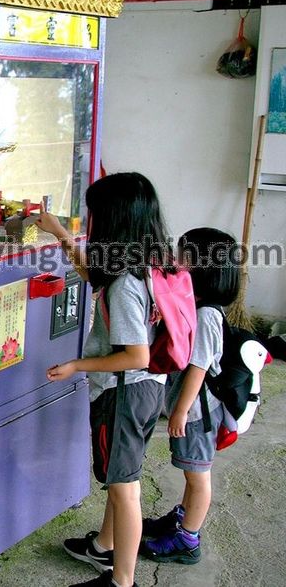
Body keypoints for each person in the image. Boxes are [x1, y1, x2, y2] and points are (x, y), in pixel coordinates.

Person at [38, 172, 174, 587]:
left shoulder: (125, 287)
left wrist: (77, 366)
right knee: (122, 476)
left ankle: (122, 581)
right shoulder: (148, 262)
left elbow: (135, 354)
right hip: (148, 389)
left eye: (92, 215)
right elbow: (95, 276)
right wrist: (61, 232)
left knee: (125, 489)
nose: (88, 221)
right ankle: (103, 546)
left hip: (125, 393)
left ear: (111, 221)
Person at [139, 227, 240, 564]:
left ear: (203, 266)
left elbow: (197, 368)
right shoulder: (194, 302)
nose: (177, 259)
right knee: (190, 472)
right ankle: (183, 516)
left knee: (197, 475)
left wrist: (180, 412)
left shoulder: (208, 314)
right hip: (192, 407)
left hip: (198, 412)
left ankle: (188, 538)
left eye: (184, 254)